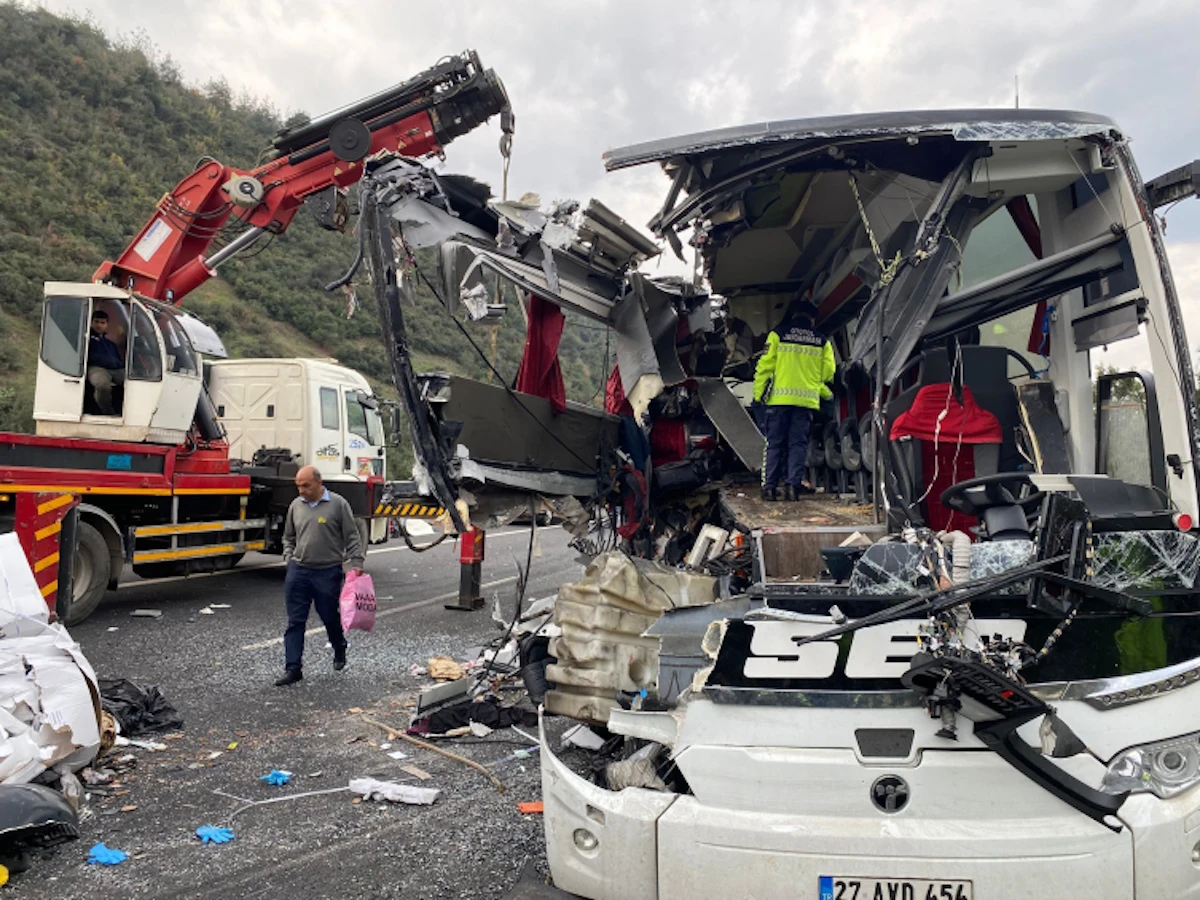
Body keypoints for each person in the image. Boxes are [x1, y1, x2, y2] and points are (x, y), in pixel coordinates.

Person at [275, 466, 365, 686]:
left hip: (327, 571)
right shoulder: (296, 506)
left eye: (305, 485)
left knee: (328, 616)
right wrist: (289, 557)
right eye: (298, 486)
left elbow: (352, 536)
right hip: (299, 570)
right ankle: (293, 668)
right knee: (295, 621)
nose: (301, 490)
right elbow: (288, 536)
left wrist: (357, 563)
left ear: (318, 483)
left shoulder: (338, 504)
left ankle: (339, 647)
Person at [753, 305, 835, 501]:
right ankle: (793, 488)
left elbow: (764, 367)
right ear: (812, 320)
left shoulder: (777, 335)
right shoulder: (822, 341)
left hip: (778, 401)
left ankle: (770, 489)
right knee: (798, 445)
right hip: (806, 402)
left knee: (774, 444)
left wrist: (758, 395)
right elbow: (828, 373)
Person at [86, 309, 125, 416]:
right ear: (91, 322)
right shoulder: (86, 339)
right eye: (96, 322)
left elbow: (118, 360)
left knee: (133, 381)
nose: (99, 325)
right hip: (95, 368)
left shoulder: (110, 344)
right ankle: (108, 413)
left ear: (107, 325)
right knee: (102, 385)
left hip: (114, 369)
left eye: (102, 323)